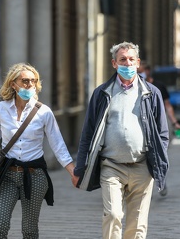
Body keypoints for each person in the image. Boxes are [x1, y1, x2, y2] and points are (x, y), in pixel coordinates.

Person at [72, 42, 169, 239]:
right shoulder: (102, 93)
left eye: (131, 59)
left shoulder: (151, 93)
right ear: (114, 63)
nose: (127, 63)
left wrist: (158, 161)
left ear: (138, 62)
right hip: (111, 166)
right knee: (113, 214)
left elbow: (163, 133)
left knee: (137, 225)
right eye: (122, 59)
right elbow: (88, 133)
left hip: (142, 166)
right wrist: (79, 168)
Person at [0, 63, 76, 238]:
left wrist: (72, 171)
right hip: (6, 175)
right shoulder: (0, 109)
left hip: (35, 175)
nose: (29, 85)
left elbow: (58, 145)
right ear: (13, 84)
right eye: (24, 81)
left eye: (33, 81)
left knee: (30, 230)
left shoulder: (44, 112)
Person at [138, 61, 180, 197]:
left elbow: (168, 106)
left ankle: (160, 178)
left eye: (141, 71)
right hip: (141, 126)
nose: (139, 74)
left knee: (159, 154)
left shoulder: (159, 87)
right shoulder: (134, 86)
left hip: (158, 125)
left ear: (148, 71)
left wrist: (174, 122)